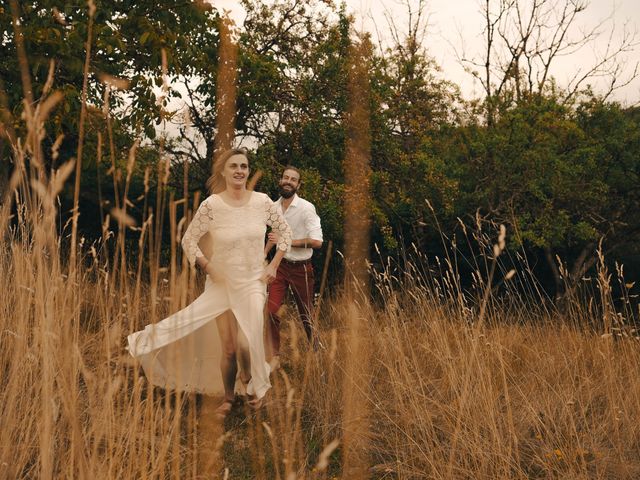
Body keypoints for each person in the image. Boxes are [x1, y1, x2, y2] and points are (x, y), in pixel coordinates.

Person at [127, 149, 292, 417]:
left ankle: (251, 381)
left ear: (249, 171)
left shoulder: (263, 202)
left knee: (246, 340)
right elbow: (188, 241)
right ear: (224, 172)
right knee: (227, 347)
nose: (239, 170)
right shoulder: (212, 205)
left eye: (244, 166)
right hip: (220, 283)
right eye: (234, 166)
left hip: (252, 281)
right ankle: (228, 398)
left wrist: (273, 266)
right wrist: (209, 266)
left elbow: (285, 234)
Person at [265, 166, 323, 364]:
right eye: (285, 178)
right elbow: (274, 235)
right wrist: (264, 254)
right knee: (270, 312)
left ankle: (317, 353)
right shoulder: (273, 207)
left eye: (293, 179)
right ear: (280, 181)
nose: (288, 181)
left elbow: (317, 242)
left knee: (306, 315)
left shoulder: (307, 208)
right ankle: (274, 357)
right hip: (279, 266)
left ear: (298, 185)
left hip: (302, 268)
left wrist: (287, 241)